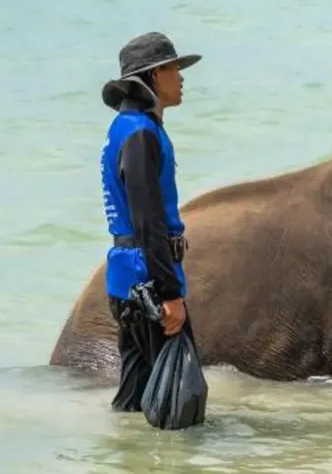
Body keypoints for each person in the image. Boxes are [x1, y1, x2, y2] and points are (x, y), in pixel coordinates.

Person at [99, 31, 202, 412]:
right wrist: (170, 293)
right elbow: (149, 220)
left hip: (126, 281)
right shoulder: (141, 134)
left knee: (133, 404)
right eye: (175, 68)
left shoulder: (125, 129)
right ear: (155, 75)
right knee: (181, 408)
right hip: (149, 286)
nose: (182, 77)